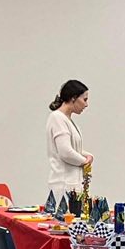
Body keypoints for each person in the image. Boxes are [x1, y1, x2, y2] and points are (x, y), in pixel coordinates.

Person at [45, 79, 91, 208]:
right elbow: (65, 152)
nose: (86, 105)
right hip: (64, 184)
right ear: (73, 98)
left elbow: (73, 148)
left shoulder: (66, 119)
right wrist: (85, 161)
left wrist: (87, 155)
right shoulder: (57, 118)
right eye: (85, 99)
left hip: (73, 184)